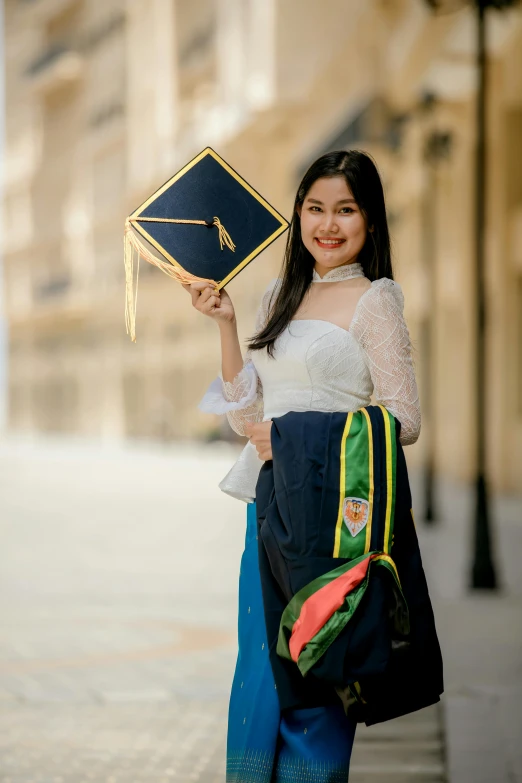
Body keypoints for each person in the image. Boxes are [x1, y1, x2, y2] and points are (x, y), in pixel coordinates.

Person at [187, 149, 421, 783]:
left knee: (317, 659)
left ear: (370, 219)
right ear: (298, 214)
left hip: (334, 515)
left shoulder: (376, 302)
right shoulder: (276, 296)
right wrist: (228, 326)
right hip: (271, 505)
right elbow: (248, 420)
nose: (328, 224)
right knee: (261, 663)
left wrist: (296, 441)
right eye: (315, 208)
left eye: (345, 210)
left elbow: (403, 419)